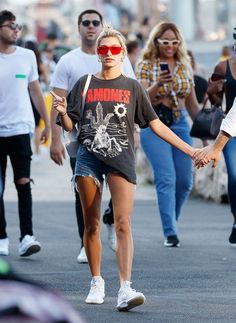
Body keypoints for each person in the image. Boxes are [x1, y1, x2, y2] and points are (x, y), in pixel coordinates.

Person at [52, 23, 199, 311]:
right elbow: (72, 124)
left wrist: (191, 149)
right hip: (88, 157)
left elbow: (155, 124)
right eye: (103, 49)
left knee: (123, 223)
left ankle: (125, 287)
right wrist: (61, 115)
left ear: (122, 55)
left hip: (121, 157)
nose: (108, 53)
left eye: (114, 49)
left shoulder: (132, 87)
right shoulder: (84, 83)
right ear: (98, 53)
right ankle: (96, 281)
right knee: (92, 223)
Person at [50, 9, 136, 263]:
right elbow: (58, 101)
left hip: (117, 139)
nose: (90, 26)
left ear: (101, 27)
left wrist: (136, 134)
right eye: (85, 23)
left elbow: (131, 97)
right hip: (80, 140)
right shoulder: (68, 61)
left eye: (95, 23)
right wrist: (55, 139)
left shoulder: (120, 58)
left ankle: (109, 219)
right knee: (83, 193)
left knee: (116, 191)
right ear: (78, 28)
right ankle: (84, 241)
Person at [136, 22, 202, 247]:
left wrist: (207, 134)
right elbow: (141, 100)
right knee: (166, 178)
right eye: (166, 42)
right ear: (156, 41)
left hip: (180, 122)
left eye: (175, 42)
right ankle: (170, 232)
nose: (170, 46)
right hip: (153, 123)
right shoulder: (145, 64)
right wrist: (157, 85)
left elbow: (192, 105)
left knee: (184, 181)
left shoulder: (184, 65)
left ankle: (171, 219)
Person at [0, 10, 50, 257]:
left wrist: (47, 124)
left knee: (23, 183)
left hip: (21, 129)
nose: (16, 30)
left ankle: (26, 236)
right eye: (10, 26)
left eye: (17, 25)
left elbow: (35, 91)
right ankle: (1, 236)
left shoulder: (27, 56)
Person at [194, 30, 236, 243]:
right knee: (235, 174)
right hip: (230, 131)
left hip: (229, 127)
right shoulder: (224, 66)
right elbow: (216, 101)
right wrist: (213, 90)